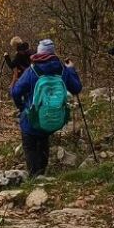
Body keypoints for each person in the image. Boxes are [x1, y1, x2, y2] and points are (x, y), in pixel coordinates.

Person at [10, 39, 83, 177]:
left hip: (33, 119)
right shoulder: (62, 69)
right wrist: (71, 69)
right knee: (43, 139)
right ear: (53, 53)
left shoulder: (32, 71)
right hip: (53, 118)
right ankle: (42, 175)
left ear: (39, 52)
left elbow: (15, 93)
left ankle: (35, 178)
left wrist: (21, 107)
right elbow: (77, 88)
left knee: (30, 143)